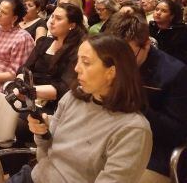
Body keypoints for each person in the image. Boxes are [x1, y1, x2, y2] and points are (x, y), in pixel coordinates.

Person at [9, 35, 152, 183]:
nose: (77, 68)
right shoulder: (73, 97)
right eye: (78, 60)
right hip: (34, 176)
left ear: (111, 72)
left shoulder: (133, 130)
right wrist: (42, 133)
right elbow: (45, 155)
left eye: (86, 62)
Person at [107, 12, 187, 182]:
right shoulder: (110, 61)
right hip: (108, 138)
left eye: (128, 55)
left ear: (147, 45)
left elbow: (177, 132)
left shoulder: (174, 73)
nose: (120, 63)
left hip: (152, 152)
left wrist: (137, 104)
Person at [149, 0, 187, 64]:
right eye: (156, 9)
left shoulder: (181, 32)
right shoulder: (150, 27)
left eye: (164, 11)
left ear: (172, 16)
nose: (158, 13)